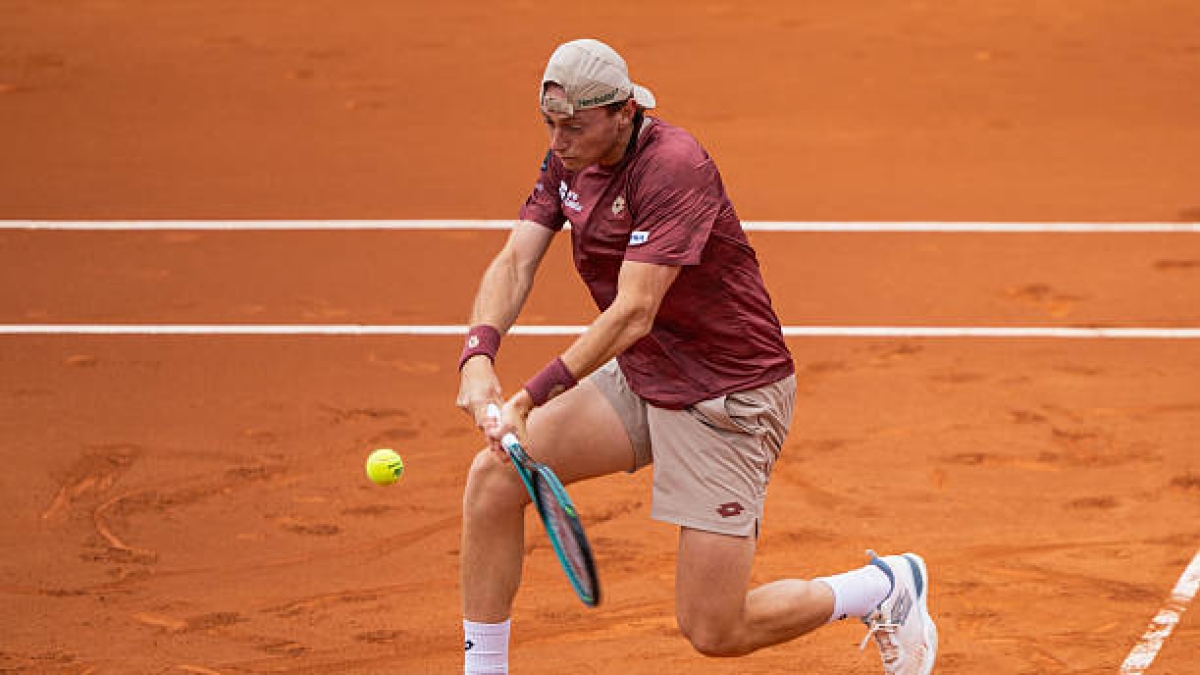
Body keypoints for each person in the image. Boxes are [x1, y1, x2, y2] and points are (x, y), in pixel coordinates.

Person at [455, 38, 937, 674]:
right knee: (493, 481)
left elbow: (633, 311)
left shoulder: (674, 166)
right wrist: (478, 355)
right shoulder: (568, 159)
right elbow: (517, 259)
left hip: (728, 397)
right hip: (646, 374)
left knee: (715, 627)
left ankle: (885, 588)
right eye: (549, 124)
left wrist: (524, 397)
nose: (558, 139)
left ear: (624, 112)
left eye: (573, 125)